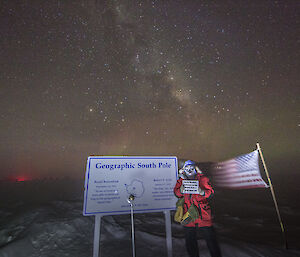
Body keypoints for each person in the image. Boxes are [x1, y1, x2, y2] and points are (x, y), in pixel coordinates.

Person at [174, 160, 222, 257]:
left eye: (192, 167)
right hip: (188, 214)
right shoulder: (181, 180)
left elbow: (211, 192)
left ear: (195, 168)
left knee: (210, 239)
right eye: (187, 168)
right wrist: (181, 190)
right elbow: (176, 193)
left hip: (203, 213)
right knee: (190, 239)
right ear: (184, 169)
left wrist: (202, 192)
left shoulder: (203, 179)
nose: (190, 170)